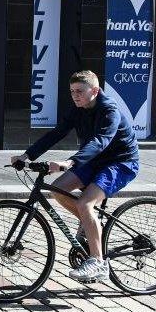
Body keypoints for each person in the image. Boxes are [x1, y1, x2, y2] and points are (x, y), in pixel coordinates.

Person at [11, 70, 139, 283]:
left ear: (95, 91)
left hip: (120, 162)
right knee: (57, 190)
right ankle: (91, 225)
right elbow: (57, 133)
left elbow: (100, 141)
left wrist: (69, 162)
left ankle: (98, 262)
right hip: (94, 161)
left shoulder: (109, 111)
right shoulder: (79, 109)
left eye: (80, 91)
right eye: (72, 92)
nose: (75, 95)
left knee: (86, 204)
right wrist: (27, 155)